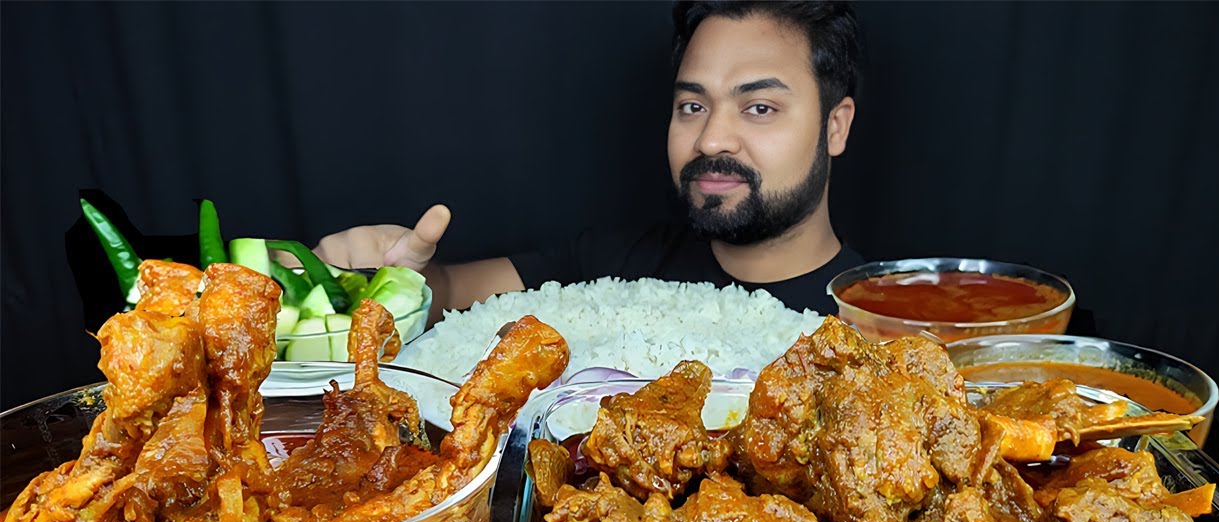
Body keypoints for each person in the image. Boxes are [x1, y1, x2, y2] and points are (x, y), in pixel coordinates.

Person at [316, 1, 865, 318]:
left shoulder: (888, 324)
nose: (711, 140)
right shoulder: (609, 264)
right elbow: (449, 293)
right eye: (692, 105)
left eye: (760, 107)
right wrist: (388, 282)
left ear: (834, 126)